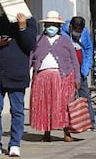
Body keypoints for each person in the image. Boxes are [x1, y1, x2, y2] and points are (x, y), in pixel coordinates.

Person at [0, 13, 37, 157]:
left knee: (17, 110)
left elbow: (30, 45)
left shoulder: (30, 21)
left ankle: (14, 143)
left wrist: (22, 27)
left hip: (16, 72)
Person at [30, 11, 81, 142]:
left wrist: (77, 78)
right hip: (42, 77)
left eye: (54, 24)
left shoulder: (65, 41)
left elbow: (74, 60)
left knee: (64, 106)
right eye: (48, 24)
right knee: (45, 105)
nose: (51, 27)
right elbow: (30, 58)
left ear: (58, 27)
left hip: (63, 77)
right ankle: (46, 132)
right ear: (45, 26)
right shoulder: (37, 40)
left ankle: (67, 132)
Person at [61, 16, 96, 132]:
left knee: (85, 97)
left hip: (81, 71)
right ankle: (66, 123)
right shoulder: (62, 33)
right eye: (76, 30)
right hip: (66, 71)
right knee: (66, 98)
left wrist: (86, 68)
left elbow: (89, 49)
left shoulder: (85, 33)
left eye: (80, 31)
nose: (78, 33)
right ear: (70, 27)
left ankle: (91, 122)